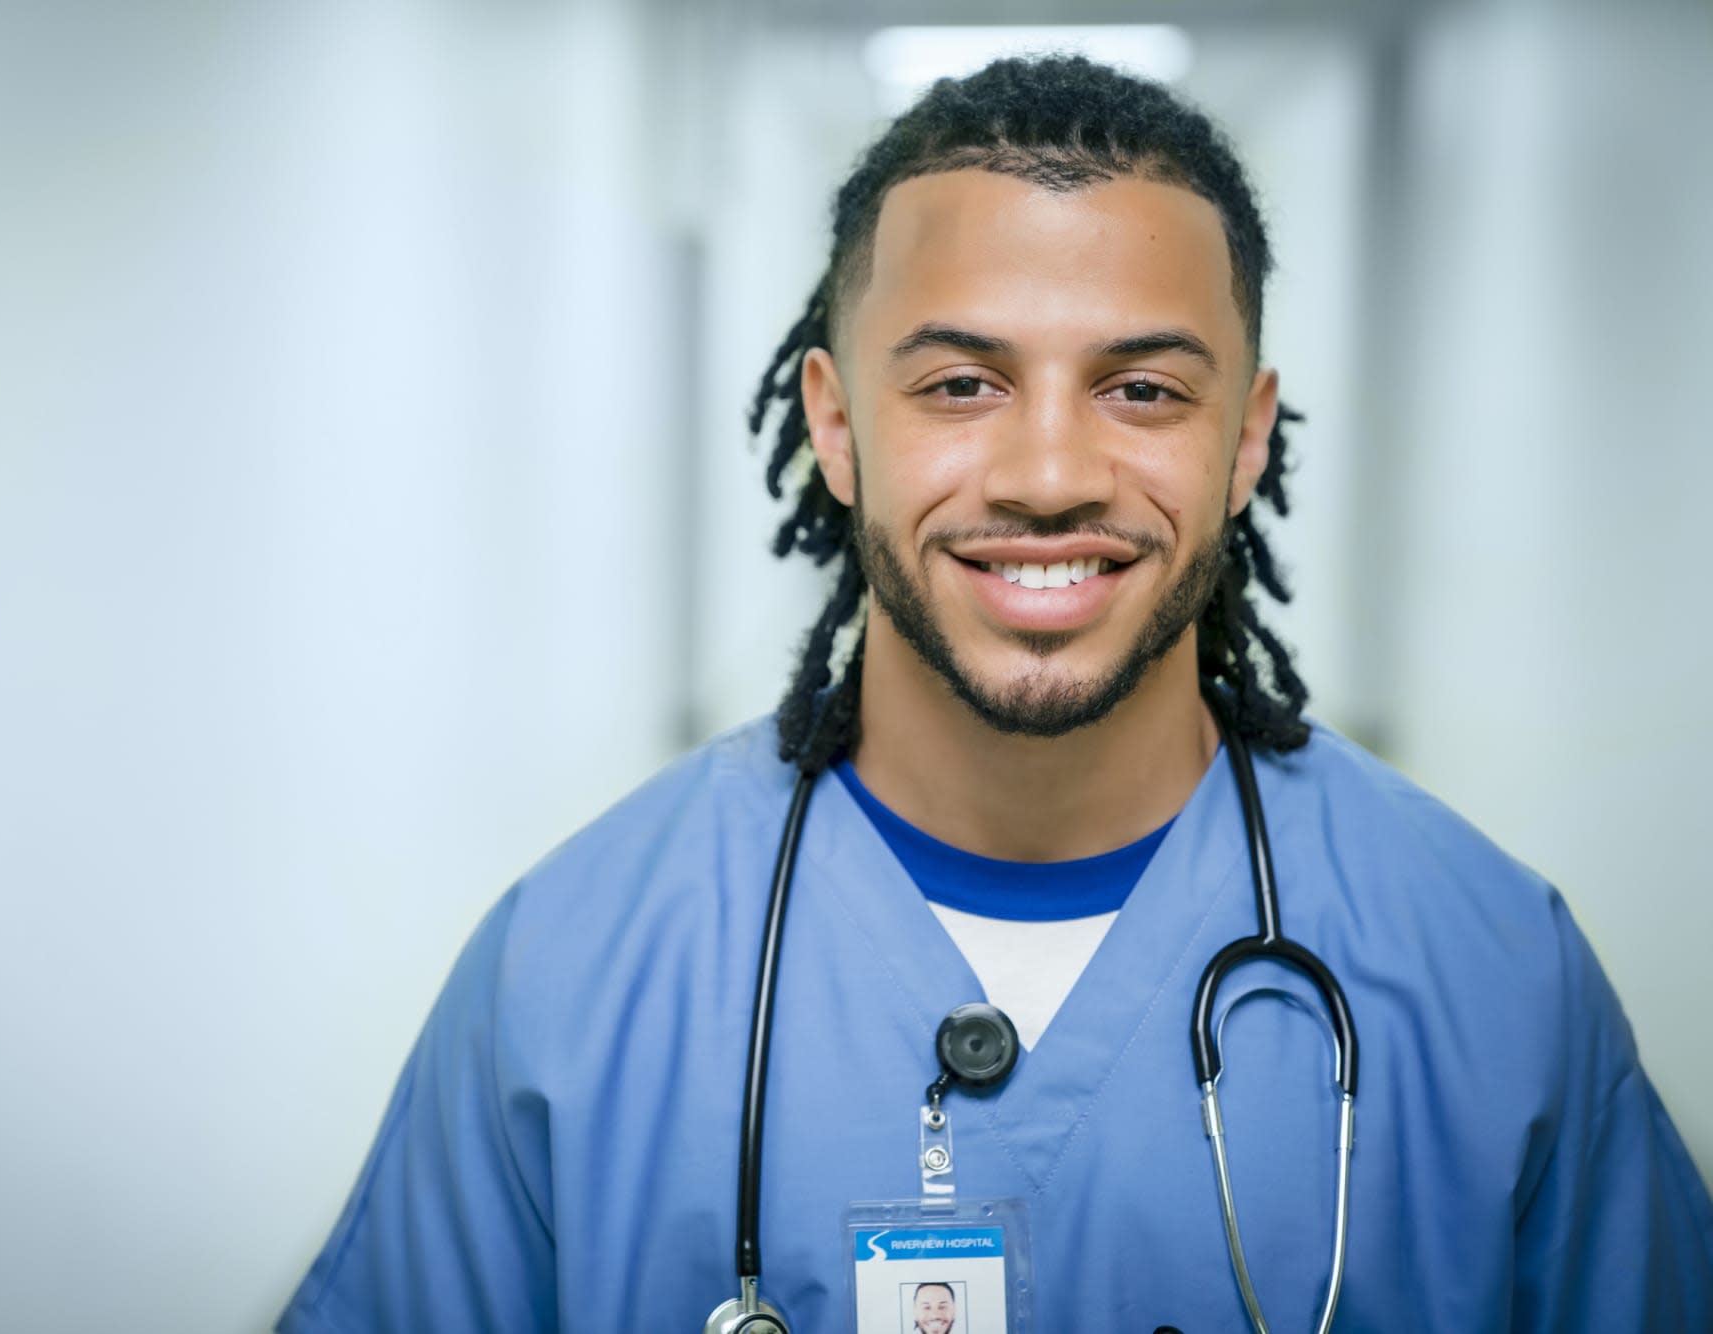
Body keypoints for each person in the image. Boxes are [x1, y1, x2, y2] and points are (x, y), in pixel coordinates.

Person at [278, 54, 1713, 1333]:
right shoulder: (570, 976)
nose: (1047, 475)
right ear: (835, 427)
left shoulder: (1492, 974)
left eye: (1142, 390)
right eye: (962, 384)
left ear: (1247, 440)